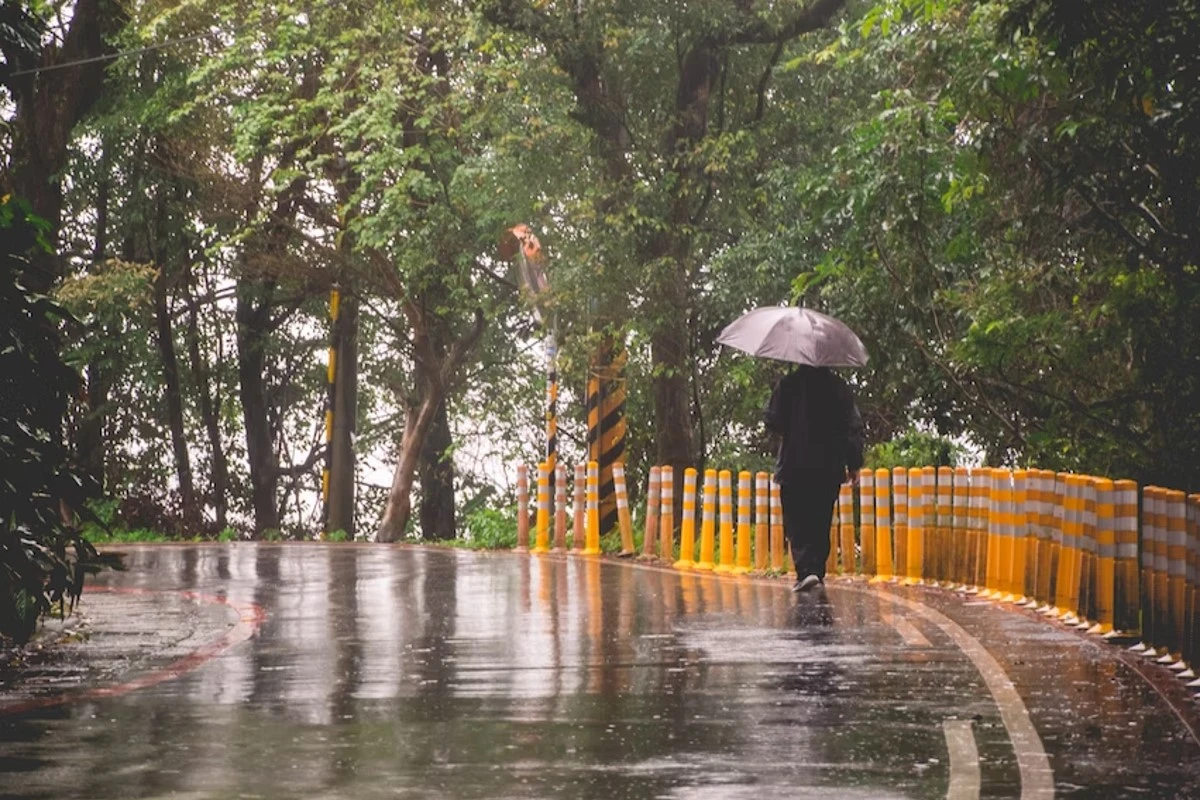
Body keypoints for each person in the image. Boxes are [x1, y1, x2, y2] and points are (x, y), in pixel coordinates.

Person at [763, 364, 864, 592]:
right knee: (820, 520)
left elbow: (772, 421)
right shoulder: (839, 388)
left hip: (793, 465)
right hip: (827, 468)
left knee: (796, 521)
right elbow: (853, 429)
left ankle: (806, 571)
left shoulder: (787, 385)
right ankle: (815, 571)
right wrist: (854, 463)